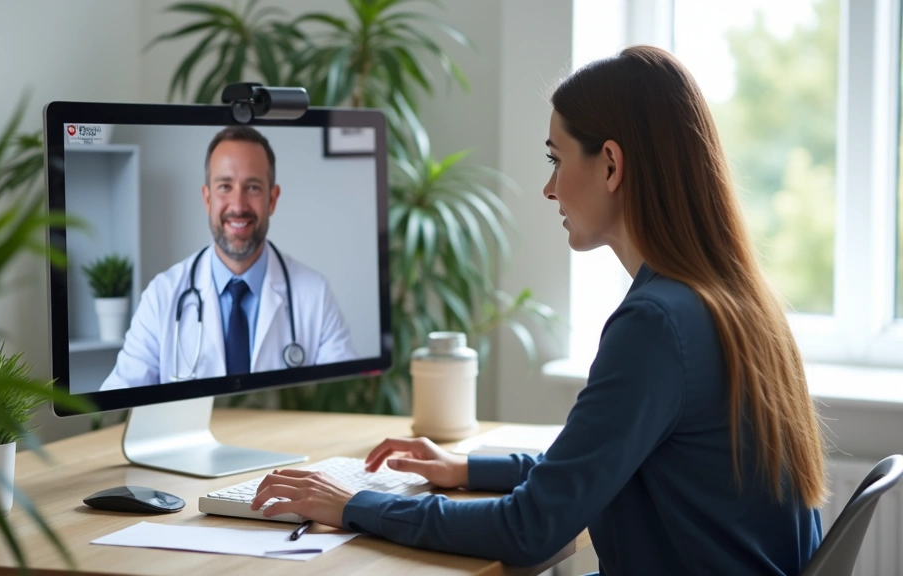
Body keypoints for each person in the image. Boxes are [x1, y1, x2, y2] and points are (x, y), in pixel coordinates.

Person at [247, 46, 828, 575]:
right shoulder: (735, 302)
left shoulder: (657, 324)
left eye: (556, 158)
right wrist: (466, 469)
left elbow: (529, 529)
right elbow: (592, 464)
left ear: (611, 164)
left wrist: (352, 505)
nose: (550, 188)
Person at [100, 126, 357, 390]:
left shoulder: (315, 295)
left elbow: (342, 396)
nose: (238, 205)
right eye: (225, 186)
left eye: (253, 187)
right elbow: (117, 403)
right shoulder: (161, 297)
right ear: (207, 198)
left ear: (272, 198)